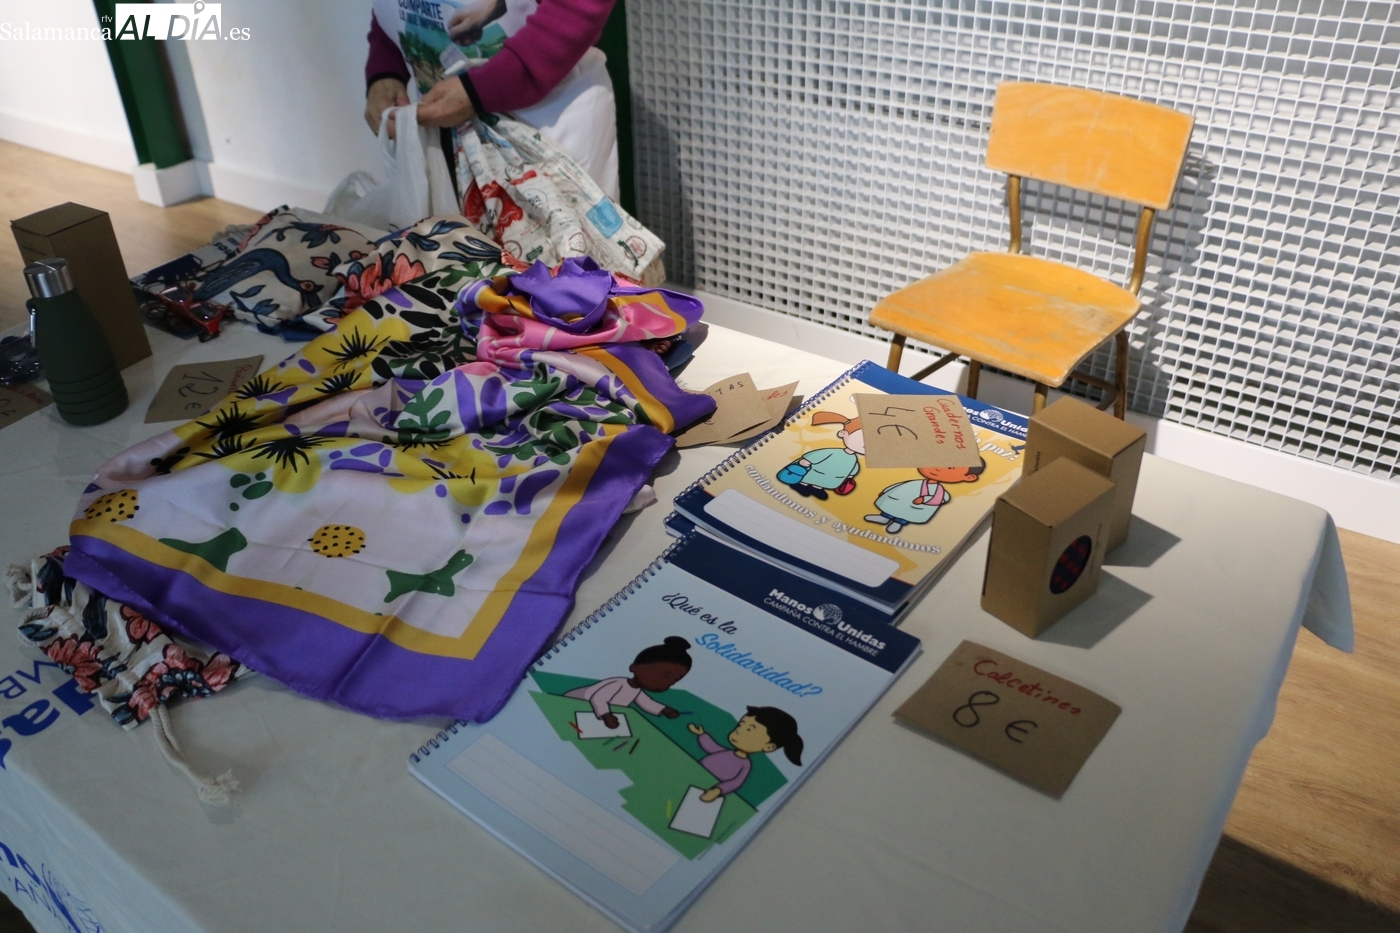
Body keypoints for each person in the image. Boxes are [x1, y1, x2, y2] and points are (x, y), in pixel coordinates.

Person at [363, 0, 620, 200]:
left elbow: (577, 7)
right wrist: (386, 67)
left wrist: (483, 87)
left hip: (547, 126)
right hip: (445, 138)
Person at [564, 636, 692, 729]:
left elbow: (646, 703)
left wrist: (664, 710)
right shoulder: (618, 683)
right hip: (573, 701)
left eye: (674, 680)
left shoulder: (636, 691)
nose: (667, 683)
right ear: (634, 667)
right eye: (665, 675)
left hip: (590, 711)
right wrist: (606, 715)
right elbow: (598, 698)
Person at [687, 707, 804, 803]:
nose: (739, 730)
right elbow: (712, 748)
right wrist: (702, 734)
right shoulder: (727, 752)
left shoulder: (745, 765)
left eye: (749, 730)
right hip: (693, 771)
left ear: (769, 746)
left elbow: (736, 782)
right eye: (740, 725)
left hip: (707, 783)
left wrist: (717, 790)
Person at [864, 459, 986, 534]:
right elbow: (900, 485)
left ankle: (898, 523)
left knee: (906, 513)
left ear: (969, 477)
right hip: (898, 499)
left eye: (950, 467)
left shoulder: (939, 490)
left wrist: (924, 499)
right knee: (892, 507)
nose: (937, 468)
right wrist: (886, 491)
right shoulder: (915, 483)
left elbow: (942, 498)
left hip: (916, 506)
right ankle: (884, 517)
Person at [777, 411, 865, 500]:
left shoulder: (853, 458)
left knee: (822, 483)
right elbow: (819, 455)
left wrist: (851, 475)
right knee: (808, 478)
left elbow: (854, 466)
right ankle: (801, 484)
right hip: (814, 472)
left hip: (831, 478)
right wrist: (807, 460)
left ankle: (817, 488)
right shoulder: (834, 452)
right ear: (843, 433)